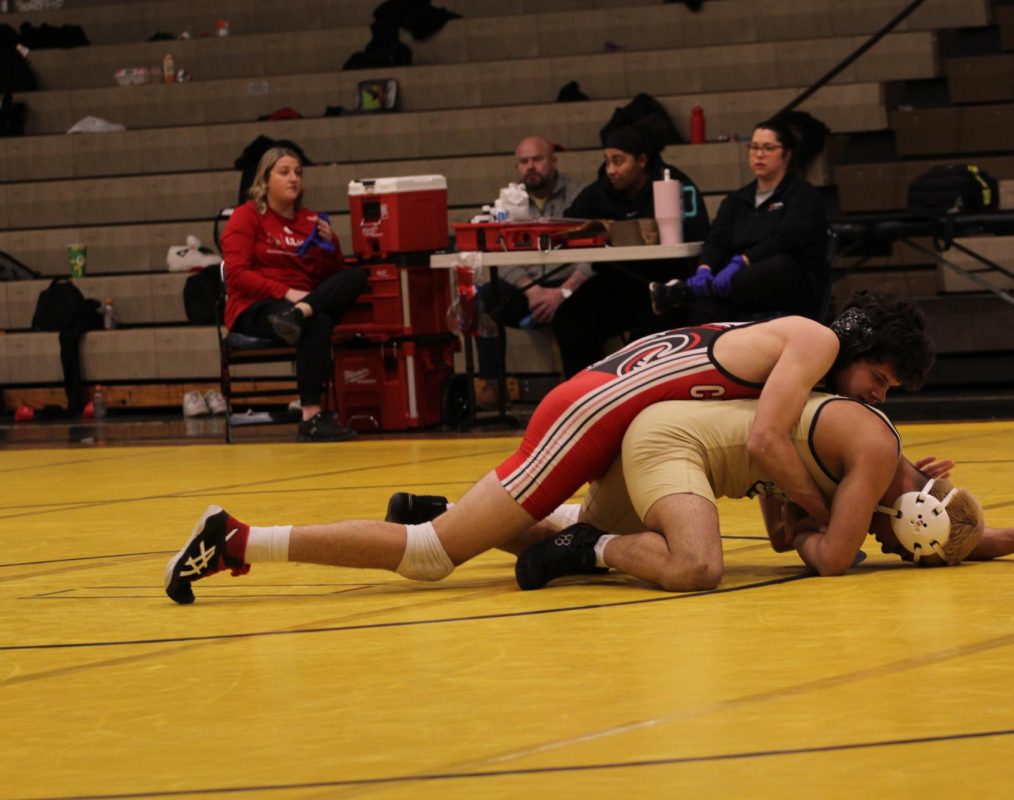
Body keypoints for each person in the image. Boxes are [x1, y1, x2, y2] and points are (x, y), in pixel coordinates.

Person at [164, 292, 933, 603]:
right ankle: (238, 540)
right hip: (595, 416)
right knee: (432, 555)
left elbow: (768, 447)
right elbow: (766, 441)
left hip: (615, 414)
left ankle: (507, 522)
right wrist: (835, 508)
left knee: (560, 527)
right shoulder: (816, 339)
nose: (877, 397)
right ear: (857, 344)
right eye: (881, 378)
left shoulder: (798, 342)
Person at [513, 395, 1014, 591]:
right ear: (915, 517)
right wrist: (806, 532)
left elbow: (943, 535)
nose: (890, 551)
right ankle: (591, 547)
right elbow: (832, 561)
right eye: (903, 549)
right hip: (675, 444)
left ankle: (437, 517)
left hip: (673, 439)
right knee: (696, 567)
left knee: (556, 540)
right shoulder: (874, 465)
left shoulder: (898, 484)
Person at [221, 146, 367, 442]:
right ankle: (312, 417)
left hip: (301, 303)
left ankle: (300, 314)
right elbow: (236, 274)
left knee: (357, 275)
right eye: (284, 172)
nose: (294, 179)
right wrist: (286, 293)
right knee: (319, 320)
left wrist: (331, 246)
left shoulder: (310, 221)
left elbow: (327, 276)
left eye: (298, 173)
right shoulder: (246, 217)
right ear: (265, 179)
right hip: (256, 305)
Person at [554, 124, 712, 377]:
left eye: (619, 161)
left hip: (665, 284)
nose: (611, 170)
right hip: (617, 281)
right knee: (569, 318)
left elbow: (699, 237)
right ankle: (586, 395)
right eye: (607, 162)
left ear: (641, 160)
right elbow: (568, 225)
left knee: (652, 331)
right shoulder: (598, 192)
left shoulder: (676, 184)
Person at [650, 118, 829, 325]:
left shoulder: (803, 195)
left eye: (768, 148)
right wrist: (705, 269)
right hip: (737, 291)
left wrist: (742, 261)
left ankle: (684, 292)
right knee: (704, 305)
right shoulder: (736, 200)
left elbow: (787, 238)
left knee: (780, 265)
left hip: (789, 285)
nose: (759, 154)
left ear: (787, 154)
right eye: (754, 147)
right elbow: (717, 239)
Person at [475, 136, 589, 401]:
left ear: (553, 161)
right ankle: (492, 384)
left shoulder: (581, 194)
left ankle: (579, 394)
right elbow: (496, 252)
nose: (530, 167)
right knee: (486, 298)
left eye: (537, 159)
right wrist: (532, 290)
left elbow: (596, 251)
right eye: (524, 162)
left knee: (578, 307)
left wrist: (563, 291)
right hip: (528, 289)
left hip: (569, 286)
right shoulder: (507, 201)